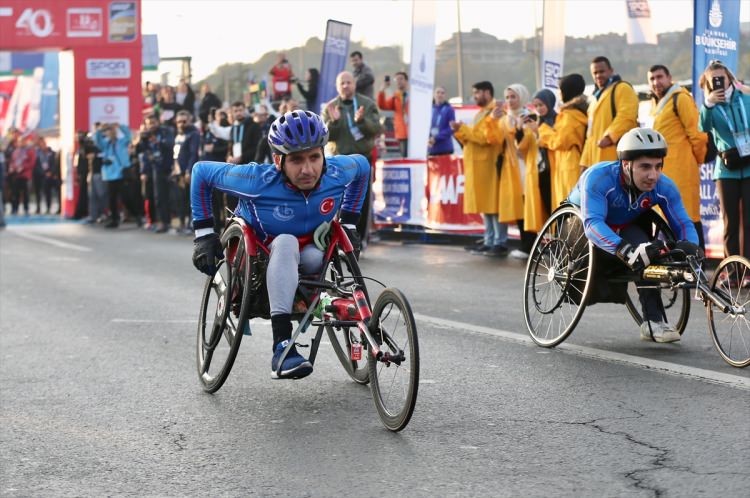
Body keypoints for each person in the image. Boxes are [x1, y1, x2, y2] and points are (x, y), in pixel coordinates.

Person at [190, 110, 370, 379]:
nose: (308, 169)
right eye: (296, 160)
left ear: (324, 154)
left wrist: (351, 224)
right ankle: (282, 347)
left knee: (311, 257)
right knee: (286, 243)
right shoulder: (254, 180)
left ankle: (321, 302)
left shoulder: (337, 173)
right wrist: (204, 234)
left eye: (314, 157)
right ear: (278, 160)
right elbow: (200, 172)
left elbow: (364, 166)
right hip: (261, 256)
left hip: (309, 253)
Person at [567, 128, 702, 342]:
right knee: (631, 249)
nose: (653, 175)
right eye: (645, 167)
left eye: (658, 167)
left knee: (647, 252)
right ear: (626, 165)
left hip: (625, 223)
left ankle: (654, 321)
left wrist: (690, 247)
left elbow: (683, 223)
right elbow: (592, 223)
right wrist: (624, 249)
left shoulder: (664, 186)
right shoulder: (598, 178)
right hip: (581, 224)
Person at [645, 64, 709, 249]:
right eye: (652, 79)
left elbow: (697, 134)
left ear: (669, 77)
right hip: (660, 173)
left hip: (682, 171)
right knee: (667, 223)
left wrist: (695, 161)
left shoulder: (680, 98)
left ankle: (698, 269)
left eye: (660, 77)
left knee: (688, 219)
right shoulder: (655, 105)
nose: (656, 82)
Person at [698, 60, 750, 271]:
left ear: (729, 78)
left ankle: (747, 269)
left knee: (749, 222)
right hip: (725, 169)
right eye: (714, 80)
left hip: (748, 165)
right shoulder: (710, 106)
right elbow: (703, 127)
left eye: (722, 78)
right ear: (709, 83)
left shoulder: (745, 99)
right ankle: (732, 271)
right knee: (730, 223)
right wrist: (708, 104)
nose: (720, 82)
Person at [322, 71, 382, 241]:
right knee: (335, 201)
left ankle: (358, 240)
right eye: (342, 83)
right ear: (337, 86)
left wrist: (362, 121)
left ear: (354, 84)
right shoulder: (330, 107)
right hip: (338, 161)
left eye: (349, 82)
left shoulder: (367, 104)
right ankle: (335, 241)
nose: (346, 86)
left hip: (361, 161)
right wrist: (333, 122)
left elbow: (377, 130)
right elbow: (325, 136)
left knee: (360, 202)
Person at [449, 81, 502, 256]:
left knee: (493, 204)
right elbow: (472, 138)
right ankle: (489, 240)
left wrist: (463, 129)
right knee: (485, 204)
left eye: (477, 93)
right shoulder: (481, 113)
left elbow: (484, 138)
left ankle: (499, 242)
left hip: (489, 164)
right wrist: (459, 131)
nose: (475, 96)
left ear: (487, 93)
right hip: (479, 164)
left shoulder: (495, 112)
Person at [533, 73, 588, 210]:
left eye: (560, 89)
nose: (559, 93)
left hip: (570, 163)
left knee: (569, 207)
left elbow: (560, 141)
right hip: (565, 163)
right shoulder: (572, 113)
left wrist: (542, 130)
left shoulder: (570, 115)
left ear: (567, 91)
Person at [580, 56, 639, 169]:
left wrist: (610, 137)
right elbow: (590, 134)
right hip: (596, 162)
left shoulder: (622, 88)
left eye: (601, 71)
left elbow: (627, 115)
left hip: (617, 158)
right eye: (595, 73)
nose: (598, 75)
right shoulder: (594, 99)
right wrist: (585, 162)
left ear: (611, 71)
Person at [137, 114, 175, 233]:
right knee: (158, 197)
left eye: (153, 123)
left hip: (169, 167)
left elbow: (170, 144)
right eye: (149, 124)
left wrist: (157, 141)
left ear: (157, 122)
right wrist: (141, 139)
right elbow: (142, 152)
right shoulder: (147, 135)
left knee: (170, 196)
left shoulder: (166, 131)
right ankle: (162, 222)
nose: (151, 126)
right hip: (155, 168)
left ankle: (170, 222)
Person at [94, 122, 132, 228]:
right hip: (110, 175)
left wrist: (120, 126)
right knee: (112, 199)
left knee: (126, 197)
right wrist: (100, 130)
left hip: (122, 173)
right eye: (108, 131)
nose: (110, 133)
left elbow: (129, 135)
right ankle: (115, 220)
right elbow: (97, 140)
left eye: (112, 131)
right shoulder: (105, 145)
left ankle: (136, 215)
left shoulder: (121, 142)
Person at [377, 71, 410, 158]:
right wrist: (382, 89)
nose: (399, 81)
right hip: (402, 133)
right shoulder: (396, 97)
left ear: (406, 81)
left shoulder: (413, 95)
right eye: (397, 79)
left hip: (413, 132)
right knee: (404, 157)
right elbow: (382, 105)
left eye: (401, 79)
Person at [428, 86, 455, 156]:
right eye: (438, 92)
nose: (440, 95)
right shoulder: (429, 109)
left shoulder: (449, 109)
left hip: (445, 148)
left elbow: (451, 128)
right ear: (434, 95)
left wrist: (436, 138)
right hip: (432, 148)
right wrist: (429, 138)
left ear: (445, 96)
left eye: (442, 93)